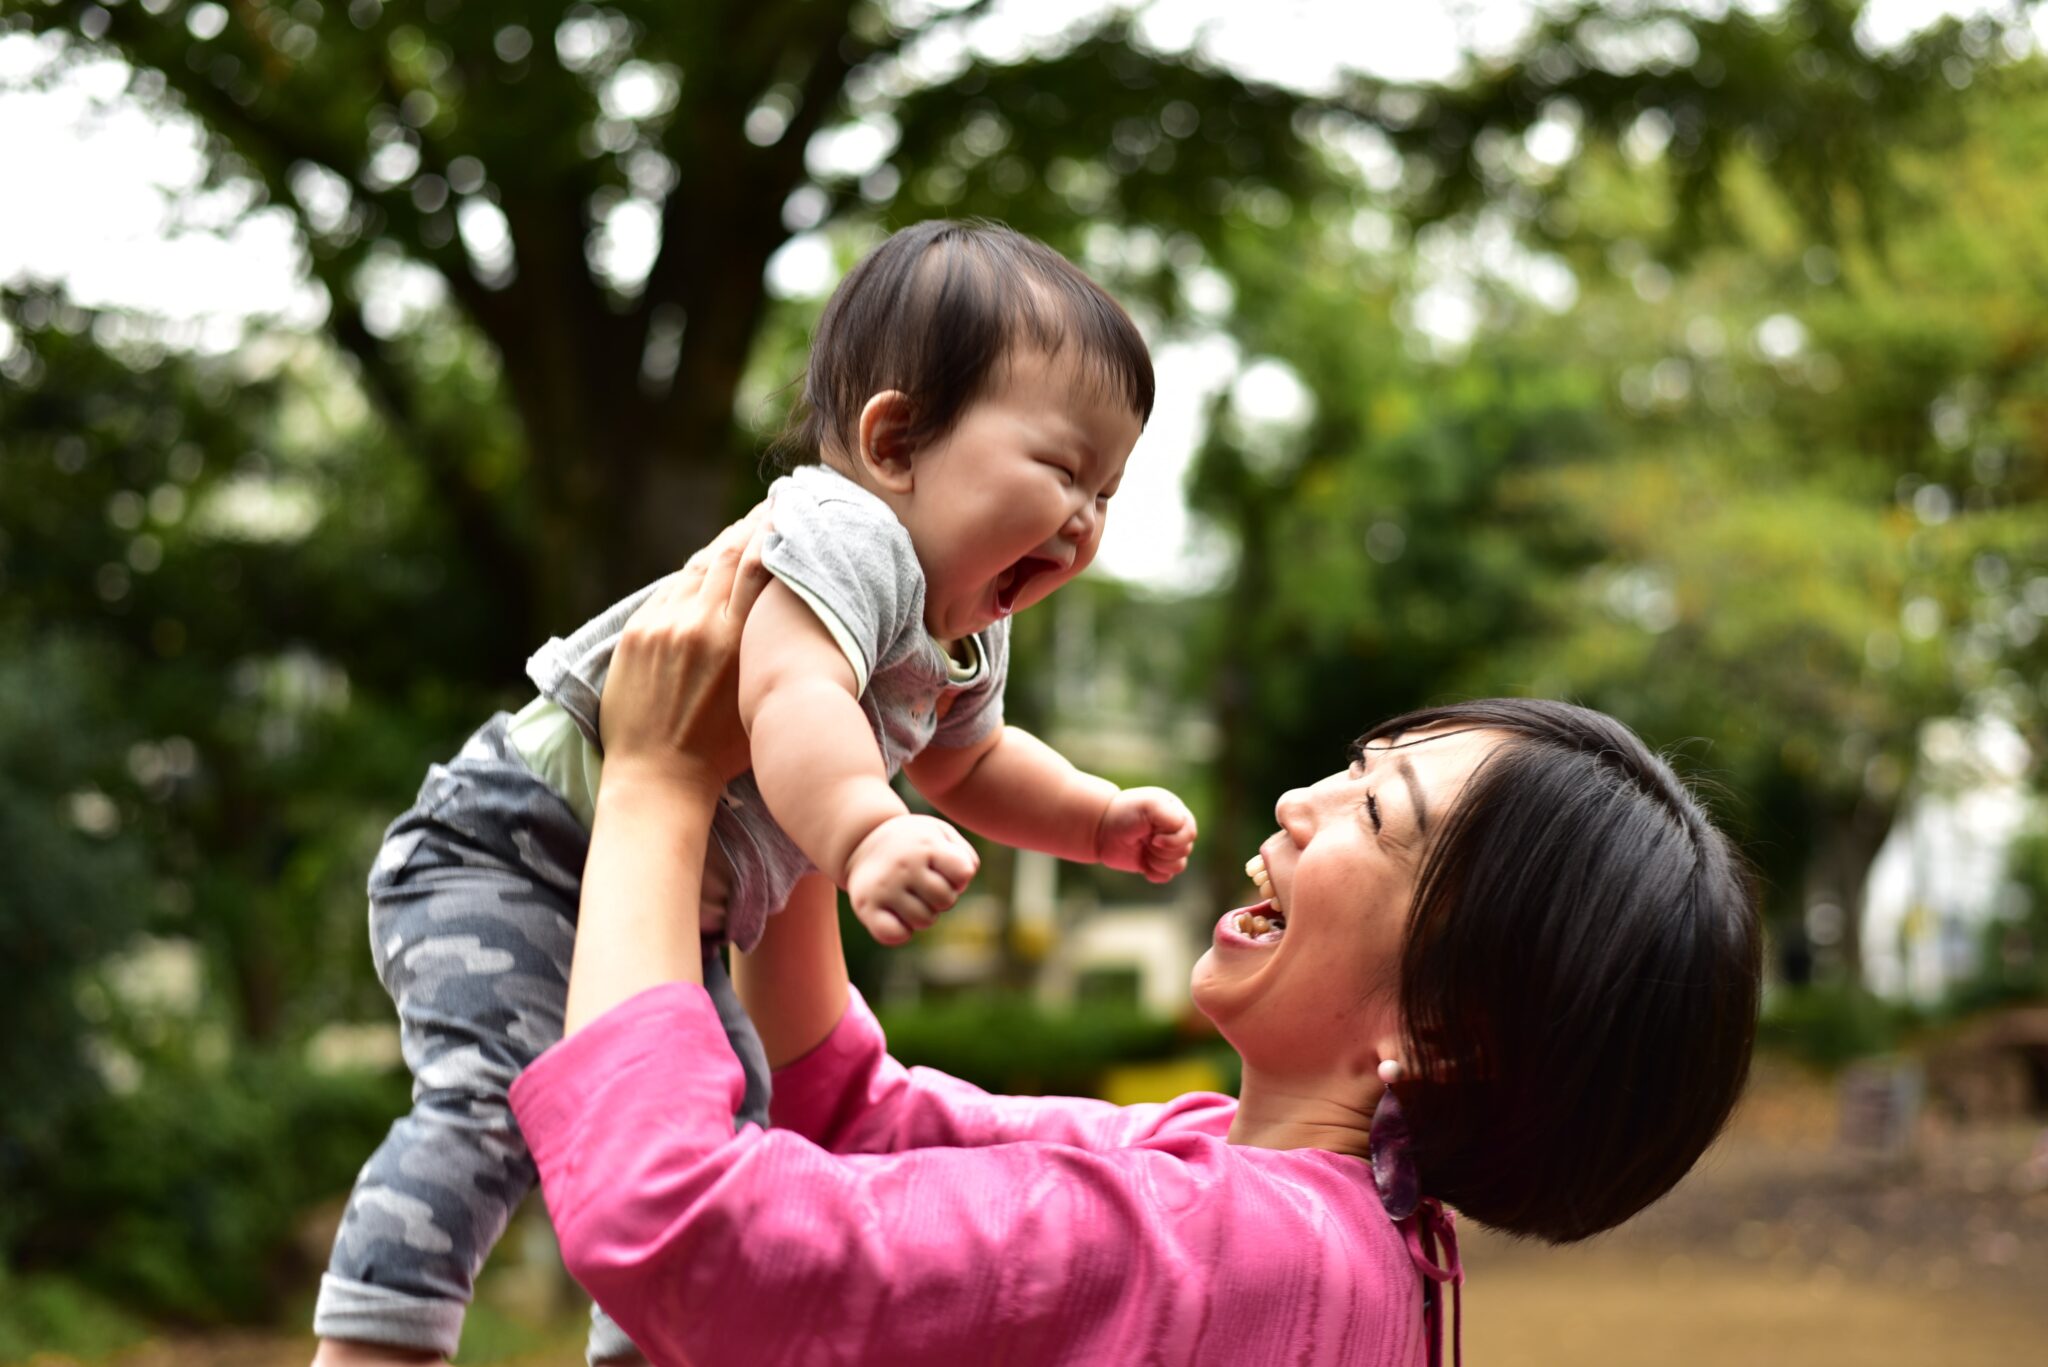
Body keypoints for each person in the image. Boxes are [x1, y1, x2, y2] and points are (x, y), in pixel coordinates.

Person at [505, 515, 1765, 1366]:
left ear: (1439, 1032)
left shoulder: (1229, 1238)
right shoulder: (1294, 1205)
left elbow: (675, 1226)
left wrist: (660, 788)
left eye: (1377, 813)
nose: (1300, 798)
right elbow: (854, 1112)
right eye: (1355, 767)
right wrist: (822, 789)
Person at [314, 221, 1198, 1365]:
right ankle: (376, 1343)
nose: (1085, 519)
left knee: (710, 1141)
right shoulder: (844, 536)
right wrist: (868, 831)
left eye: (1108, 490)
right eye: (1063, 469)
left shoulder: (966, 623)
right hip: (513, 848)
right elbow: (794, 703)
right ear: (894, 440)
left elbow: (969, 763)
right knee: (491, 1103)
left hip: (665, 903)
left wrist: (1092, 815)